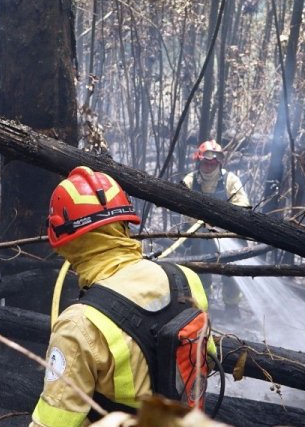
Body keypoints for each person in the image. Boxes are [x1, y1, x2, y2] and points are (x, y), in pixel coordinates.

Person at [31, 166, 212, 427]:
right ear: (124, 223)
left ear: (63, 240)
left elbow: (53, 423)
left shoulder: (78, 324)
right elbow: (205, 358)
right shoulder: (186, 280)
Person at [180, 140, 249, 315]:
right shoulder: (189, 181)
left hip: (227, 235)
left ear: (219, 162)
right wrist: (202, 223)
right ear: (199, 161)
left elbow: (243, 205)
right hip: (200, 234)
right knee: (201, 273)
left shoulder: (230, 180)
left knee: (231, 274)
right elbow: (181, 207)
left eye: (213, 162)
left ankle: (232, 308)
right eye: (206, 161)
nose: (209, 165)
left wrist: (222, 222)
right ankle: (203, 309)